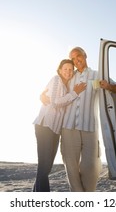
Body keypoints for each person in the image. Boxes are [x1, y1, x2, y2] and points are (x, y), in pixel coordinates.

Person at [41, 47, 116, 192]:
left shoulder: (97, 75)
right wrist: (42, 95)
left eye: (78, 56)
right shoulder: (68, 76)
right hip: (68, 126)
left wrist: (109, 86)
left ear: (85, 55)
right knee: (71, 165)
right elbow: (51, 91)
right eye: (72, 59)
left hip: (90, 126)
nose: (76, 60)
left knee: (90, 166)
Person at [33, 59, 86, 192]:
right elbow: (55, 102)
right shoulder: (56, 79)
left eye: (70, 69)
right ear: (60, 70)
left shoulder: (66, 85)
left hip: (55, 130)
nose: (68, 72)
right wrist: (75, 93)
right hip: (46, 126)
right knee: (44, 167)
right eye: (65, 69)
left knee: (45, 168)